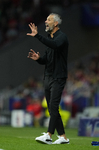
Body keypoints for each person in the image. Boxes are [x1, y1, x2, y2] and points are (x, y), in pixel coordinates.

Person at [27, 13, 69, 144]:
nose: (46, 21)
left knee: (53, 105)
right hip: (48, 77)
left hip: (58, 77)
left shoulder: (61, 37)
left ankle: (49, 135)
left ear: (56, 23)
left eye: (48, 20)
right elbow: (46, 59)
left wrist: (37, 36)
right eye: (46, 19)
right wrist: (39, 59)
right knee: (52, 109)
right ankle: (63, 137)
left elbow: (55, 45)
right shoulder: (49, 38)